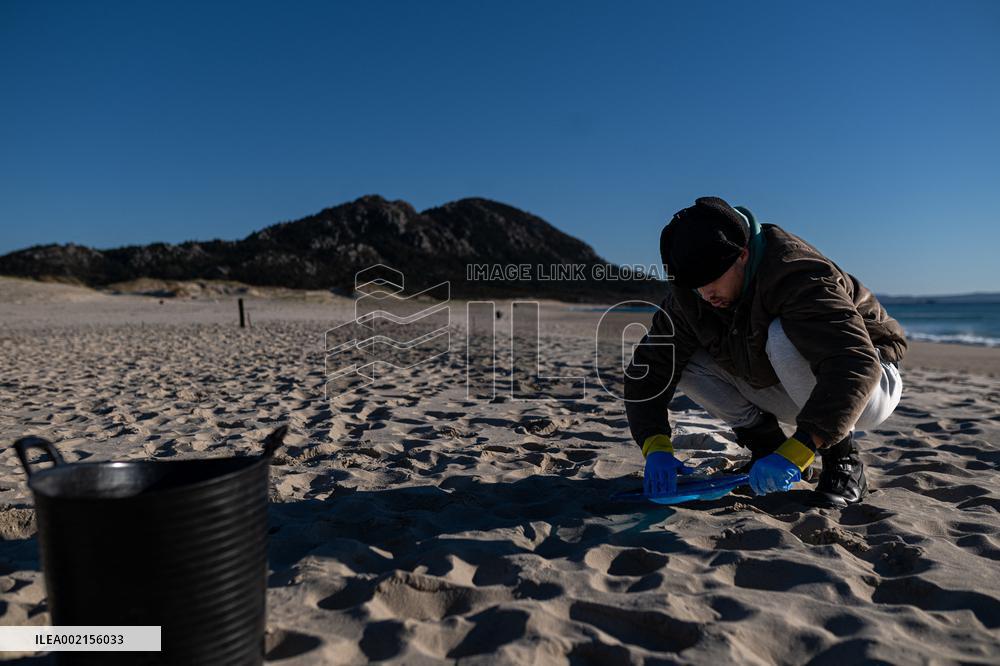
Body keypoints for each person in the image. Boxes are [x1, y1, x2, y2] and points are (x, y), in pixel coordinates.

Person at [624, 197, 906, 507]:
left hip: (870, 382)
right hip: (787, 383)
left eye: (712, 281)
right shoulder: (691, 295)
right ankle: (766, 448)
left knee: (782, 336)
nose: (706, 295)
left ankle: (843, 459)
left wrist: (800, 449)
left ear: (742, 255)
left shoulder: (793, 270)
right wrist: (656, 448)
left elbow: (854, 363)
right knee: (682, 358)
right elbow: (648, 371)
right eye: (696, 286)